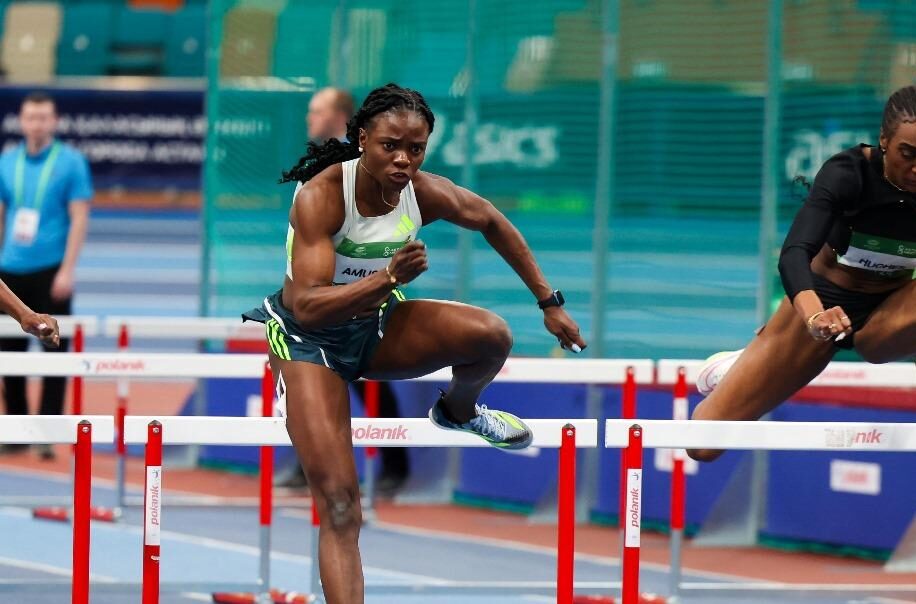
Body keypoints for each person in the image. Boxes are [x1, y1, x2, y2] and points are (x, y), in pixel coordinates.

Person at [242, 83, 585, 603]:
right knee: (340, 504)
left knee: (491, 335)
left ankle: (458, 409)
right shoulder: (322, 194)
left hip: (374, 327)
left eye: (416, 149)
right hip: (307, 341)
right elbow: (309, 304)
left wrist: (548, 301)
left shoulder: (421, 191)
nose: (404, 159)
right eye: (389, 146)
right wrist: (386, 278)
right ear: (362, 139)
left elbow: (491, 219)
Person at [689, 85, 916, 462]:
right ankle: (738, 364)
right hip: (823, 304)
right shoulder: (848, 174)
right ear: (883, 142)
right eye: (907, 154)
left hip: (891, 314)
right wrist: (814, 315)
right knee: (703, 445)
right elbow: (794, 254)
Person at [278, 86, 410, 494]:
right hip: (313, 295)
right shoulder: (314, 164)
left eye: (316, 112)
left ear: (339, 118)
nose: (308, 119)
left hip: (357, 296)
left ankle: (394, 467)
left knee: (370, 384)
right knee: (309, 384)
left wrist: (364, 281)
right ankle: (309, 466)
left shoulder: (364, 166)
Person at [0, 92, 92, 460]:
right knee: (10, 353)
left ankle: (49, 430)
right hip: (10, 268)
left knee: (54, 350)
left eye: (43, 117)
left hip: (51, 270)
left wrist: (68, 269)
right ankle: (19, 428)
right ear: (21, 121)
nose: (36, 124)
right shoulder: (7, 161)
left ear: (53, 121)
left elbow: (80, 216)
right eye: (30, 117)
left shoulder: (71, 163)